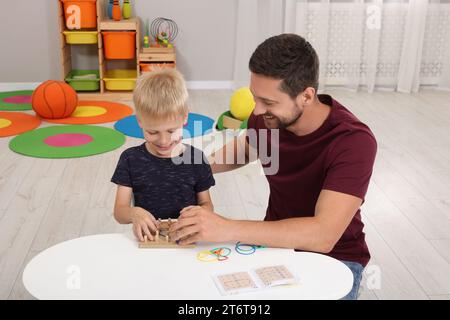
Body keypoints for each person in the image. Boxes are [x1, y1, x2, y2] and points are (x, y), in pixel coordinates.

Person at [169, 34, 377, 300]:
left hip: (336, 257)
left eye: (268, 102)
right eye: (255, 97)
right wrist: (197, 168)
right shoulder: (267, 120)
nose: (256, 111)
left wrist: (224, 227)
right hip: (273, 244)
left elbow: (323, 235)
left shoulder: (353, 141)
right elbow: (248, 147)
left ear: (306, 95)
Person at [112, 69, 215, 243]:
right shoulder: (130, 159)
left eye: (171, 131)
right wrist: (134, 213)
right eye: (152, 132)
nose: (164, 141)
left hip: (187, 240)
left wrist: (200, 213)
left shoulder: (197, 159)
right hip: (147, 240)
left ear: (184, 118)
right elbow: (119, 212)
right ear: (139, 122)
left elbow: (207, 204)